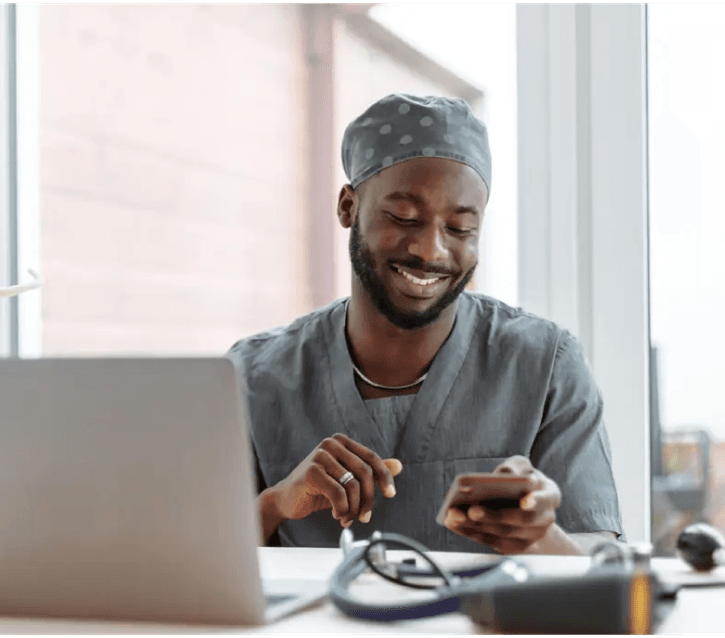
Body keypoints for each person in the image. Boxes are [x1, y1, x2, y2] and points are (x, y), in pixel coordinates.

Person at [226, 94, 624, 555]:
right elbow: (187, 559)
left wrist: (542, 538)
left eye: (459, 229)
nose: (431, 250)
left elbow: (600, 556)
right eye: (404, 218)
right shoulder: (254, 376)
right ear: (348, 207)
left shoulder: (543, 364)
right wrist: (275, 504)